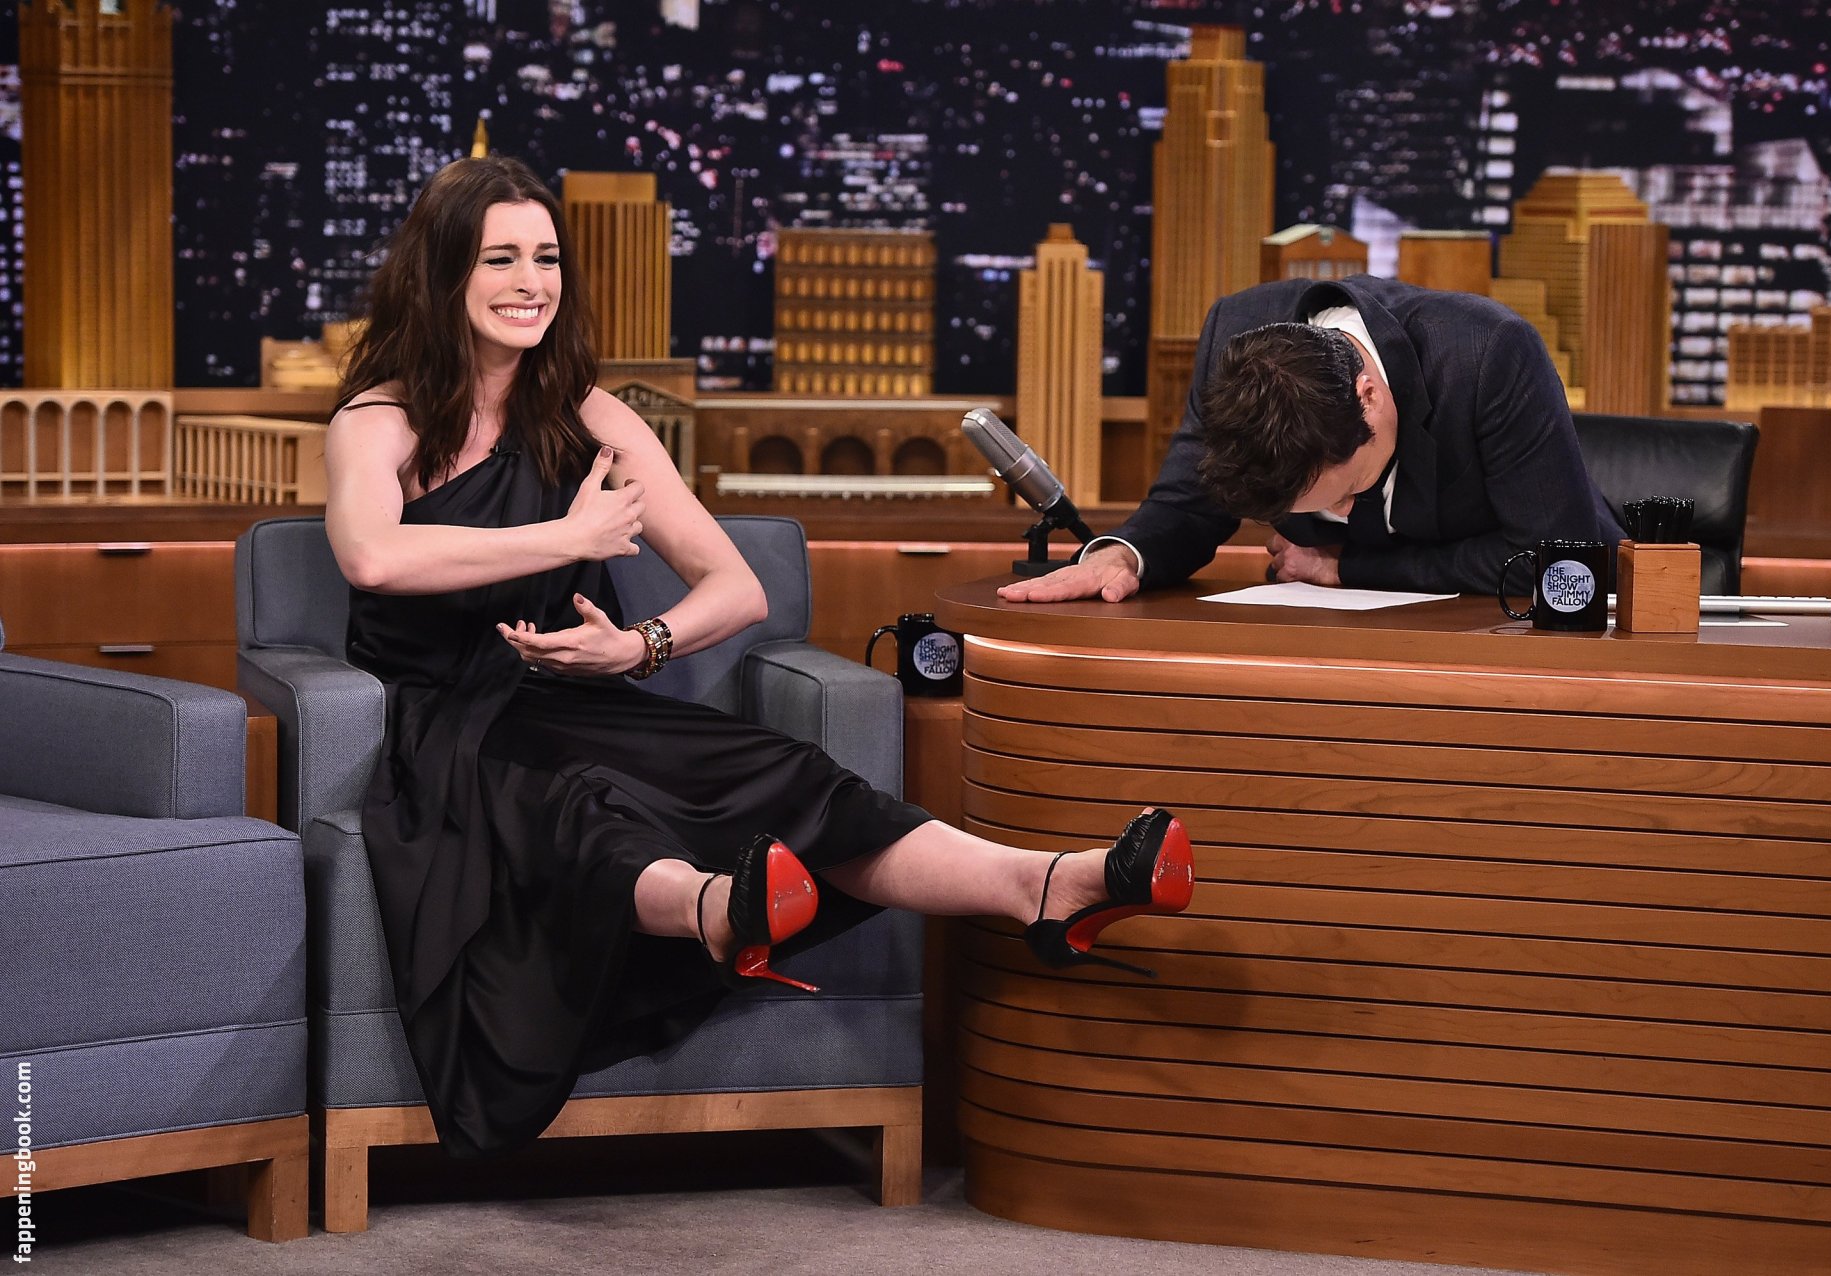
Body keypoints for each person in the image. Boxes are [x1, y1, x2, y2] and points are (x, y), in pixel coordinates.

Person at [325, 155, 1196, 1158]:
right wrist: (569, 538)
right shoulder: (377, 421)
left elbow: (738, 588)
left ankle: (1047, 884)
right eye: (501, 259)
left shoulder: (591, 418)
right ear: (443, 274)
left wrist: (635, 645)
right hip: (445, 724)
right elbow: (372, 556)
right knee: (581, 800)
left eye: (547, 258)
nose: (532, 283)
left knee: (788, 773)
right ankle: (716, 909)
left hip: (580, 694)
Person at [1000, 274, 1623, 604]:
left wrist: (1348, 567)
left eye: (1347, 494)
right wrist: (1122, 555)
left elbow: (1558, 560)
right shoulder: (1235, 341)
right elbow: (1189, 504)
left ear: (1368, 396)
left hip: (1515, 632)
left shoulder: (1488, 353)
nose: (1343, 517)